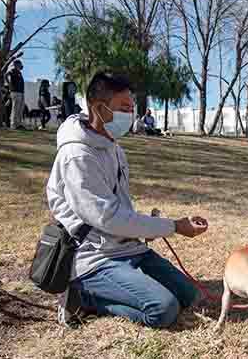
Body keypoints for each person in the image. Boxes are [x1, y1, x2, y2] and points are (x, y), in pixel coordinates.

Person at [46, 71, 208, 328]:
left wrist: (151, 225)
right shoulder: (77, 156)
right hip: (97, 257)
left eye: (131, 108)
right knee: (163, 309)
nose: (129, 115)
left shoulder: (113, 146)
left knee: (189, 296)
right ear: (98, 108)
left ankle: (124, 282)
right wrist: (174, 226)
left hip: (128, 247)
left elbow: (120, 209)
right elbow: (107, 218)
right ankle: (85, 296)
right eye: (123, 108)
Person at [6, 60, 26, 130]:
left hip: (21, 92)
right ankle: (13, 124)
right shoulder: (12, 71)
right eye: (20, 64)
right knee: (15, 108)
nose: (21, 66)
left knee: (20, 109)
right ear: (17, 65)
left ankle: (19, 124)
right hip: (15, 92)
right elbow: (7, 77)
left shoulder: (19, 72)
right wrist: (10, 87)